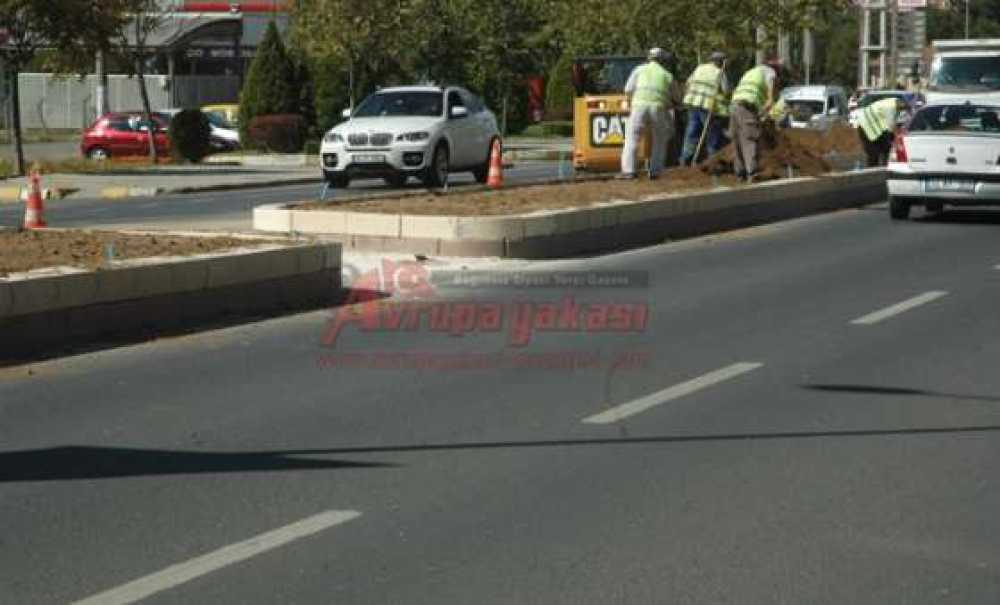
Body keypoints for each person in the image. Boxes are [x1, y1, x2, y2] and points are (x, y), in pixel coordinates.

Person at [619, 47, 685, 179]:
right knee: (659, 141)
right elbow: (678, 97)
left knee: (632, 139)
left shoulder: (639, 70)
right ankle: (655, 172)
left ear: (649, 57)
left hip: (639, 107)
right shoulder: (667, 75)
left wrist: (633, 99)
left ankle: (628, 172)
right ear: (662, 60)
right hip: (658, 109)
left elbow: (628, 89)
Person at [729, 55, 782, 182]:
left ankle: (740, 174)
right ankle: (753, 173)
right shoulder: (770, 72)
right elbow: (770, 101)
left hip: (734, 105)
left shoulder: (751, 72)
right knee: (750, 138)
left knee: (737, 140)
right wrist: (761, 116)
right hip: (747, 106)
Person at [680, 51, 730, 165]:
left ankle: (685, 160)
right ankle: (712, 161)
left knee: (691, 132)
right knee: (711, 134)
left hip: (692, 103)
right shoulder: (719, 72)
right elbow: (726, 90)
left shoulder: (700, 68)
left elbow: (688, 83)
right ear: (721, 62)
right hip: (707, 105)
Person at [856, 97, 906, 167]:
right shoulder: (890, 107)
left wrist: (894, 136)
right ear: (900, 103)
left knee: (884, 146)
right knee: (874, 152)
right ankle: (873, 172)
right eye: (902, 107)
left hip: (872, 126)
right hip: (865, 126)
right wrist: (896, 140)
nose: (902, 110)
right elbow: (891, 126)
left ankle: (881, 167)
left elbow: (894, 125)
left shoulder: (894, 104)